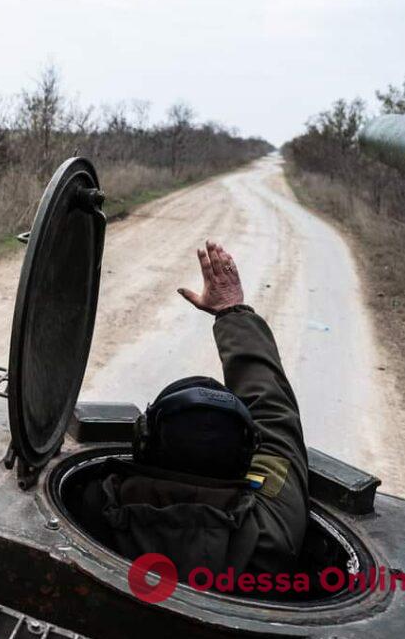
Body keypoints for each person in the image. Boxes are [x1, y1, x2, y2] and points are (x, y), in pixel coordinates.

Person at [81, 241, 308, 577]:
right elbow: (275, 417)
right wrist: (232, 311)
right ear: (248, 460)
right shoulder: (272, 535)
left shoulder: (93, 507)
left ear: (143, 442)